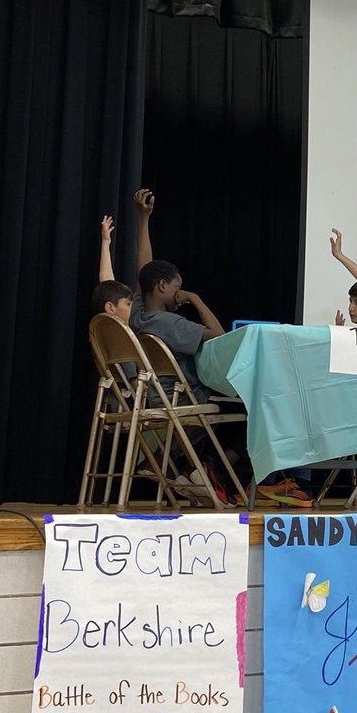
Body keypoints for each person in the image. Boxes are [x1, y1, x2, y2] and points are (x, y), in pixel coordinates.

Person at [128, 189, 310, 508]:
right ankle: (209, 472)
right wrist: (196, 299)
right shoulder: (171, 324)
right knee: (256, 409)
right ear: (161, 286)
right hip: (184, 399)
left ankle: (180, 467)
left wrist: (144, 220)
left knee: (233, 411)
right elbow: (219, 334)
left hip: (156, 397)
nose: (178, 292)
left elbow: (145, 270)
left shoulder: (140, 315)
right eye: (176, 286)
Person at [91, 214, 133, 320]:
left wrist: (106, 242)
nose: (132, 309)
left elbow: (107, 283)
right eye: (128, 304)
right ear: (110, 308)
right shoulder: (107, 334)